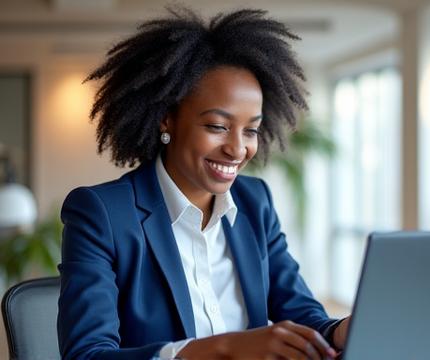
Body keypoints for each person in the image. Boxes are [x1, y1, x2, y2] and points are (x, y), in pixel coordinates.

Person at [57, 7, 350, 360]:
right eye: (217, 126)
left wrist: (340, 330)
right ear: (167, 119)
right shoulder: (102, 214)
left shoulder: (255, 202)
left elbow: (304, 316)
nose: (238, 149)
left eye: (251, 130)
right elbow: (87, 355)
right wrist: (225, 348)